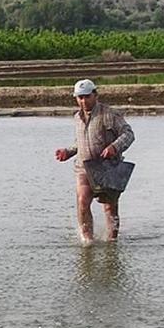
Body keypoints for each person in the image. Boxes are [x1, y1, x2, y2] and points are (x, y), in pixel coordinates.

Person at [55, 79, 134, 244]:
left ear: (95, 95)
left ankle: (112, 242)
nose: (83, 101)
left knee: (109, 206)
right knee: (82, 201)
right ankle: (87, 240)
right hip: (84, 167)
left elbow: (128, 134)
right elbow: (80, 141)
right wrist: (68, 152)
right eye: (80, 97)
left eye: (87, 97)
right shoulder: (77, 117)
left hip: (107, 167)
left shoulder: (109, 114)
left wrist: (114, 147)